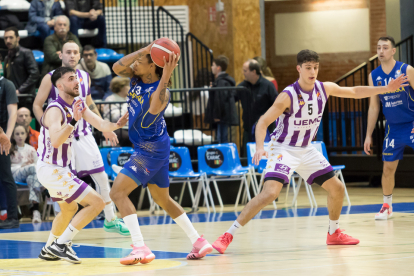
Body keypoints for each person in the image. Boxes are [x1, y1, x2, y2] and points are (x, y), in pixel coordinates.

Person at [211, 49, 409, 253]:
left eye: (315, 67)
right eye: (308, 68)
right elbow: (263, 122)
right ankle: (228, 235)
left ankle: (334, 233)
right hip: (284, 148)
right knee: (270, 193)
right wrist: (260, 147)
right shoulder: (288, 96)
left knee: (338, 188)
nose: (313, 71)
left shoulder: (324, 88)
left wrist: (386, 88)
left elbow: (355, 92)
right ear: (299, 69)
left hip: (306, 149)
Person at [111, 42, 213, 265]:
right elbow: (117, 68)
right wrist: (143, 50)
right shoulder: (137, 77)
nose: (135, 63)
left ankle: (140, 247)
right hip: (151, 146)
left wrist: (166, 75)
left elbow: (155, 107)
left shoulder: (163, 91)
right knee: (162, 199)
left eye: (141, 61)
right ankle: (198, 241)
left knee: (117, 193)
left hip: (151, 149)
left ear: (152, 68)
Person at [34, 41, 128, 235]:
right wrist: (46, 125)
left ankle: (110, 219)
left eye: (75, 52)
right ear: (60, 55)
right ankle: (63, 233)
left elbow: (88, 103)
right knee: (63, 184)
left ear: (79, 56)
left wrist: (109, 126)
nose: (72, 55)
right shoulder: (51, 79)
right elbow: (37, 104)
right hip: (62, 136)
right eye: (68, 52)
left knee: (101, 176)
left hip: (83, 133)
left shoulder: (84, 78)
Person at [363, 36, 414, 220]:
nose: (381, 51)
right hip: (393, 128)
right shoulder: (374, 76)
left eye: (385, 47)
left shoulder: (406, 70)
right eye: (378, 48)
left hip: (412, 124)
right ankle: (387, 206)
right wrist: (368, 135)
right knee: (387, 168)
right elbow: (374, 106)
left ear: (393, 51)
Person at [236, 59, 278, 155]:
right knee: (247, 155)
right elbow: (230, 98)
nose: (243, 73)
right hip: (248, 127)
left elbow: (277, 104)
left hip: (266, 129)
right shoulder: (242, 87)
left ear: (253, 71)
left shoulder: (268, 85)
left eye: (245, 71)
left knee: (267, 154)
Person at [10, 124, 43, 223]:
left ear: (26, 135)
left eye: (22, 133)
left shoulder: (31, 149)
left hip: (30, 175)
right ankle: (42, 187)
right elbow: (7, 168)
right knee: (33, 168)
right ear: (13, 136)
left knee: (31, 178)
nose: (20, 136)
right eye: (17, 134)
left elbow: (38, 164)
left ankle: (35, 211)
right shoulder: (10, 149)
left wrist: (30, 166)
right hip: (15, 175)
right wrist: (22, 166)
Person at [204, 55, 238, 143]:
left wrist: (217, 115)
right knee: (223, 136)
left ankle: (223, 156)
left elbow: (220, 99)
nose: (211, 67)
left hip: (222, 116)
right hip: (224, 115)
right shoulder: (221, 81)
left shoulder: (221, 82)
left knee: (222, 138)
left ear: (218, 68)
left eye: (213, 65)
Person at [0, 76, 19, 229]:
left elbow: (13, 113)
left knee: (6, 176)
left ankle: (13, 217)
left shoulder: (7, 84)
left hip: (2, 139)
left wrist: (7, 136)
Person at [3, 27, 40, 97]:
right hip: (12, 97)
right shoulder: (7, 57)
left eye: (11, 37)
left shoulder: (26, 53)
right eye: (6, 38)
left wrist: (20, 90)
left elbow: (35, 74)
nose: (8, 40)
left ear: (18, 38)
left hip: (25, 97)